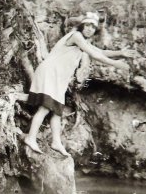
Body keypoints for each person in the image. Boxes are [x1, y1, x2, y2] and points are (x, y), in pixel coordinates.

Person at [24, 12, 137, 156]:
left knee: (57, 111)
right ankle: (30, 138)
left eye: (93, 27)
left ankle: (56, 142)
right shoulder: (76, 36)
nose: (90, 29)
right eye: (88, 25)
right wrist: (116, 64)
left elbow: (100, 51)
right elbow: (95, 55)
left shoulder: (83, 42)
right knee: (45, 108)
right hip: (50, 73)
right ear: (82, 26)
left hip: (58, 77)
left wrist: (121, 53)